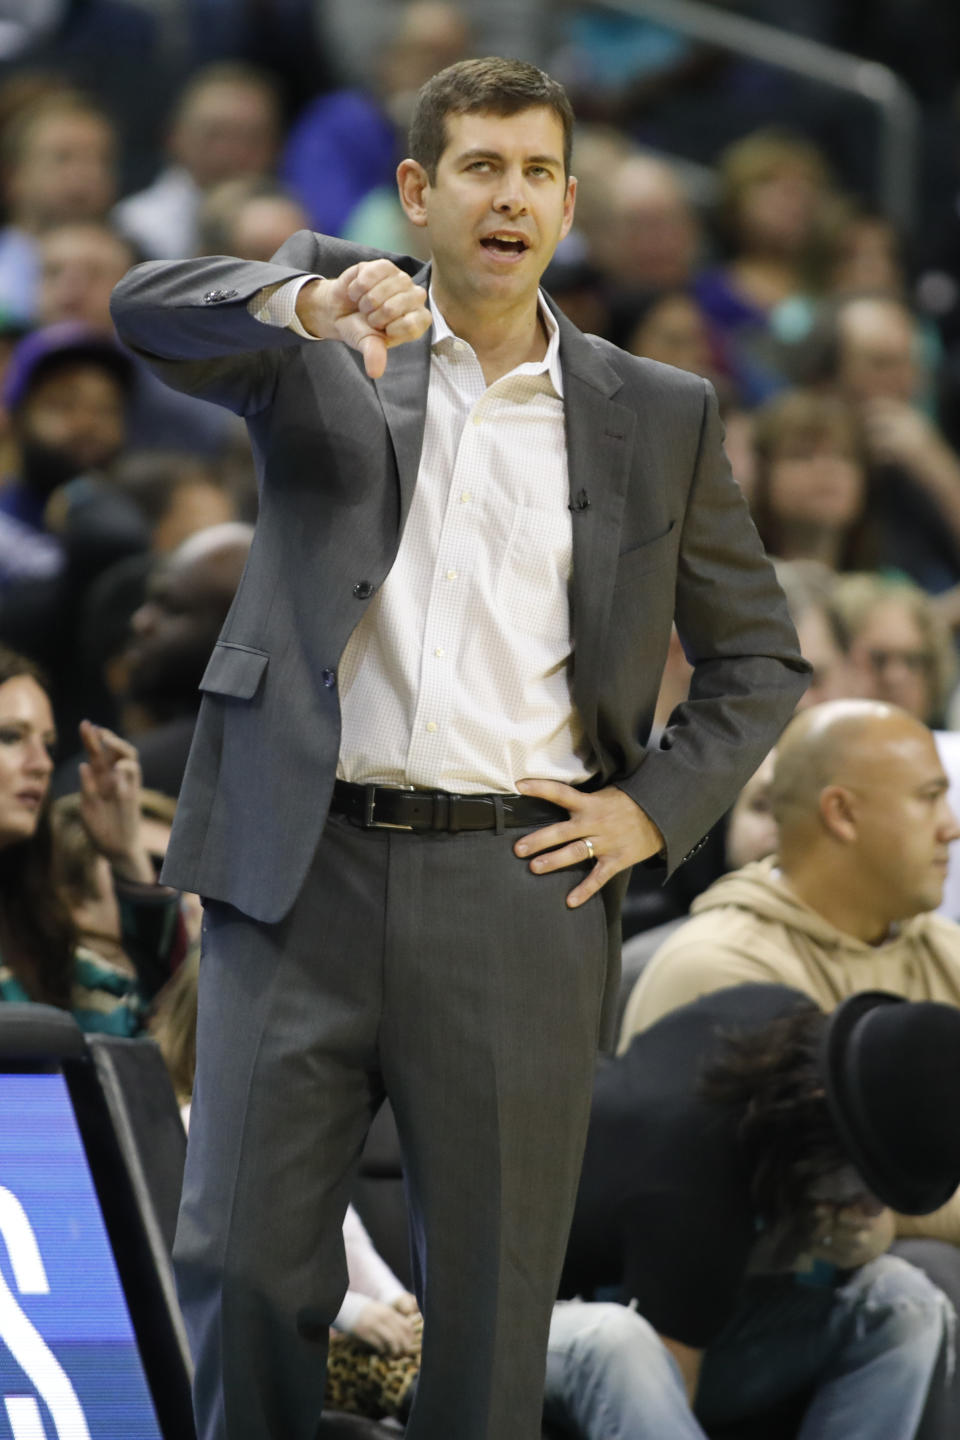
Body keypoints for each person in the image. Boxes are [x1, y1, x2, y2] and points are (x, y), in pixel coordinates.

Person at [111, 56, 808, 1440]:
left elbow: (762, 659)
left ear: (567, 203)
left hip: (519, 884)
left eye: (541, 172)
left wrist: (648, 815)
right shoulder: (330, 330)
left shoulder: (658, 411)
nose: (515, 198)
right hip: (297, 869)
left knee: (488, 1321)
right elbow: (148, 310)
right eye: (482, 168)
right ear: (418, 196)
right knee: (241, 1271)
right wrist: (307, 298)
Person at [545, 983, 956, 1440]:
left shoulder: (780, 1016)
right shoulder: (696, 1191)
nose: (872, 1209)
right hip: (519, 1329)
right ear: (824, 1110)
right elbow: (670, 1390)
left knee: (905, 1302)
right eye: (868, 1185)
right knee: (620, 1347)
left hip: (651, 1279)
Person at [0, 645, 181, 1034]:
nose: (41, 764)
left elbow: (165, 1036)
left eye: (47, 745)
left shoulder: (45, 953)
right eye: (11, 737)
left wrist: (128, 857)